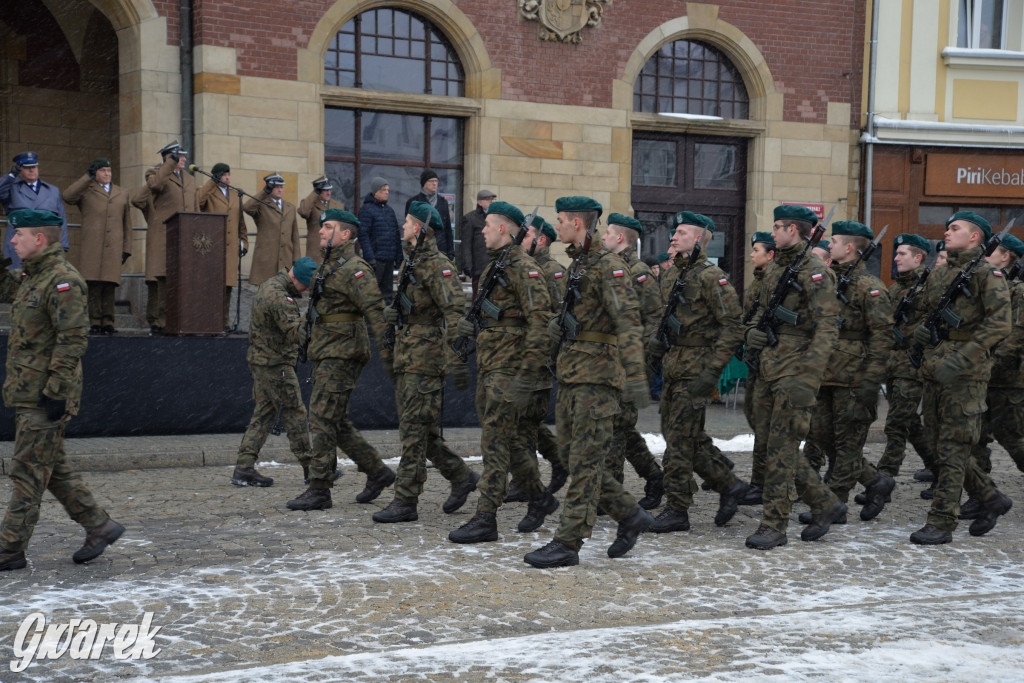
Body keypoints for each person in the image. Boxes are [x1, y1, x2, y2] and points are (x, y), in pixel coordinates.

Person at [524, 196, 653, 568]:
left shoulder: (608, 266)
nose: (558, 226)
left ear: (577, 224)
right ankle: (629, 514)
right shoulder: (580, 263)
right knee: (570, 455)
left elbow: (628, 321)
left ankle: (568, 541)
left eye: (561, 220)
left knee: (583, 461)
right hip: (573, 371)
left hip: (597, 377)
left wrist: (636, 377)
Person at [0, 209, 124, 571]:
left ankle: (9, 548)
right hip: (29, 390)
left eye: (17, 234)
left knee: (27, 471)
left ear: (39, 238)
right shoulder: (33, 276)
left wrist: (55, 392)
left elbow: (72, 340)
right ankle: (99, 525)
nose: (12, 240)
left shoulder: (63, 280)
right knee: (50, 468)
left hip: (45, 394)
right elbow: (7, 289)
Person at [449, 201, 559, 544]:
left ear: (502, 228)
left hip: (511, 369)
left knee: (495, 442)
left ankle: (486, 517)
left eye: (487, 225)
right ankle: (540, 498)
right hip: (495, 363)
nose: (481, 230)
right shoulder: (499, 265)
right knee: (514, 445)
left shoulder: (521, 268)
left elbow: (542, 322)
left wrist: (528, 372)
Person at [743, 204, 846, 550]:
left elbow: (828, 328)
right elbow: (760, 311)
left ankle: (774, 524)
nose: (772, 233)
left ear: (794, 231)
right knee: (773, 444)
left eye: (777, 227)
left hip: (796, 371)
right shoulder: (775, 269)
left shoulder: (815, 272)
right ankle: (825, 502)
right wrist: (753, 334)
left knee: (782, 450)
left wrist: (809, 377)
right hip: (770, 366)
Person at [909, 211, 1013, 544]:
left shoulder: (987, 274)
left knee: (954, 447)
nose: (946, 232)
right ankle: (990, 497)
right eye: (947, 227)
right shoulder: (941, 275)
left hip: (965, 373)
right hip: (935, 369)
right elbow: (926, 314)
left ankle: (942, 521)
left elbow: (999, 324)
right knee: (941, 447)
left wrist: (961, 358)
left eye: (955, 228)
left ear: (974, 237)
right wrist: (921, 334)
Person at [374, 202, 479, 523]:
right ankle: (461, 476)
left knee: (414, 432)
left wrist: (457, 358)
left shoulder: (436, 264)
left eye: (407, 221)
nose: (402, 226)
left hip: (426, 358)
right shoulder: (413, 261)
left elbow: (453, 309)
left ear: (419, 228)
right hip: (409, 354)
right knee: (424, 432)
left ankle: (406, 499)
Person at [286, 209, 396, 511]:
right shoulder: (330, 265)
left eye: (328, 227)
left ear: (345, 234)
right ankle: (377, 471)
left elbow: (375, 309)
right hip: (327, 348)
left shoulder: (355, 268)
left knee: (321, 417)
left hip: (342, 351)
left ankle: (320, 488)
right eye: (322, 227)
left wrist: (389, 354)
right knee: (335, 420)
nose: (322, 232)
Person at [646, 212, 750, 534]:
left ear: (699, 238)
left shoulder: (710, 276)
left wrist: (712, 371)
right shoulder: (673, 275)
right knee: (687, 437)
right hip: (673, 366)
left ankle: (677, 509)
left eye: (681, 233)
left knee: (678, 441)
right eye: (673, 232)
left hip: (695, 370)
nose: (673, 238)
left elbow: (733, 326)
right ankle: (730, 485)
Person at [802, 222, 895, 526]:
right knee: (821, 435)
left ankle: (831, 505)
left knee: (846, 447)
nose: (829, 245)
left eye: (835, 241)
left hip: (854, 378)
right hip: (826, 373)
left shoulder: (871, 287)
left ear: (850, 248)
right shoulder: (830, 281)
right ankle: (876, 481)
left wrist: (871, 381)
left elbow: (882, 338)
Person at [231, 257, 318, 488]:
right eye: (306, 285)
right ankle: (312, 468)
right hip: (274, 364)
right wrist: (314, 322)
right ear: (296, 278)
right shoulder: (280, 296)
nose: (307, 290)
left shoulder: (272, 286)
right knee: (295, 412)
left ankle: (244, 467)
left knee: (264, 414)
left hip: (265, 361)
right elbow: (294, 331)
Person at [600, 213, 666, 510]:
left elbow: (653, 317)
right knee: (620, 428)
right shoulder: (606, 265)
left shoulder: (639, 271)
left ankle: (611, 494)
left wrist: (640, 357)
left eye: (607, 232)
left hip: (627, 361)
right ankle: (653, 476)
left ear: (621, 238)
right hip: (607, 359)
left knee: (616, 427)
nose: (602, 236)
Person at [874, 234, 938, 491]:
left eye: (902, 254)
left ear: (918, 257)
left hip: (913, 366)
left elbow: (933, 324)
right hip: (893, 365)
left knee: (897, 423)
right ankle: (938, 468)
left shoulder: (930, 286)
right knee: (911, 424)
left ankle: (884, 477)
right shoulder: (896, 287)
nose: (896, 258)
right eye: (897, 253)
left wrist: (907, 336)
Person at [966, 233, 1024, 486]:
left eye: (991, 252)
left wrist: (992, 362)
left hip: (1007, 378)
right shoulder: (986, 286)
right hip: (981, 373)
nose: (984, 257)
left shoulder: (1018, 291)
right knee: (975, 436)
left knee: (1010, 434)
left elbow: (1017, 335)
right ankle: (981, 492)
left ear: (1006, 257)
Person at [132, 141, 197, 335]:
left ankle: (181, 319)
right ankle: (160, 321)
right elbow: (156, 185)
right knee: (162, 278)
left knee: (183, 280)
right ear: (170, 157)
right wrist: (168, 164)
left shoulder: (190, 179)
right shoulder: (156, 173)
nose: (184, 159)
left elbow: (195, 207)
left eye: (184, 156)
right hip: (165, 234)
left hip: (185, 236)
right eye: (180, 156)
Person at [62, 158, 132, 335]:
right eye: (102, 171)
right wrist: (87, 177)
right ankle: (95, 321)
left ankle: (108, 321)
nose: (107, 174)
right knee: (93, 285)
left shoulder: (122, 193)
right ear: (96, 173)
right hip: (93, 246)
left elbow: (127, 224)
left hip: (114, 246)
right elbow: (68, 196)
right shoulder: (87, 190)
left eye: (109, 170)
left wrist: (127, 248)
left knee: (110, 285)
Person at [739, 231, 776, 506]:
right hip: (756, 359)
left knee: (766, 427)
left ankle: (763, 483)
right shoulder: (758, 282)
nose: (751, 255)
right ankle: (759, 481)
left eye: (756, 250)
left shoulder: (772, 282)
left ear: (770, 254)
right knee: (755, 419)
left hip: (772, 362)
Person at [198, 163, 248, 329]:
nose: (227, 178)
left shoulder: (235, 195)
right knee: (212, 287)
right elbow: (198, 201)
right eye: (223, 175)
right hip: (214, 247)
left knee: (227, 287)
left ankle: (224, 322)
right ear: (216, 176)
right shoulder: (209, 192)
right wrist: (211, 182)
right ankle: (210, 321)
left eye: (228, 174)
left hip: (231, 248)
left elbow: (241, 222)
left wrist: (244, 241)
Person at [1, 151, 69, 270]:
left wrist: (63, 245)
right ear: (19, 170)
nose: (32, 170)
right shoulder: (11, 188)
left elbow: (61, 219)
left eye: (34, 167)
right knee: (16, 283)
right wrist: (11, 176)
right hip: (19, 247)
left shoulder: (52, 190)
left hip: (45, 247)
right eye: (27, 168)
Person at [244, 173, 301, 288]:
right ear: (269, 188)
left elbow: (295, 235)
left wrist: (296, 259)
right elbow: (247, 207)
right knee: (265, 296)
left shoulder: (290, 207)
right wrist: (264, 192)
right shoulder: (261, 205)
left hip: (285, 260)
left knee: (283, 296)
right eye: (276, 187)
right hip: (266, 262)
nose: (280, 189)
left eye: (281, 187)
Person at [356, 177, 401, 305]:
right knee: (372, 293)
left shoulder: (389, 210)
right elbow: (363, 235)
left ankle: (386, 322)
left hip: (389, 259)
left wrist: (399, 257)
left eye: (388, 190)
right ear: (375, 191)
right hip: (376, 259)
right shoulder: (366, 209)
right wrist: (370, 257)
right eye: (383, 190)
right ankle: (371, 323)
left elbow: (396, 235)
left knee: (387, 294)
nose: (387, 192)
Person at [405, 169, 454, 259]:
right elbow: (409, 227)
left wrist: (450, 252)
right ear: (424, 183)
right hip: (421, 250)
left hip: (440, 250)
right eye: (431, 181)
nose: (435, 183)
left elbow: (448, 228)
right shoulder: (414, 202)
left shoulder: (443, 202)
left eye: (436, 181)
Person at [299, 176, 345, 262]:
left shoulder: (338, 206)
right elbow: (303, 212)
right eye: (325, 190)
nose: (329, 193)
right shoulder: (310, 205)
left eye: (330, 190)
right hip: (316, 252)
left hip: (334, 252)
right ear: (318, 191)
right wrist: (314, 193)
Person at [459, 189, 496, 296]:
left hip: (493, 264)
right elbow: (466, 243)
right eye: (487, 199)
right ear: (479, 202)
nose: (491, 202)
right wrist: (468, 264)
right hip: (479, 265)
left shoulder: (494, 218)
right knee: (478, 296)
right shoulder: (470, 218)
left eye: (492, 199)